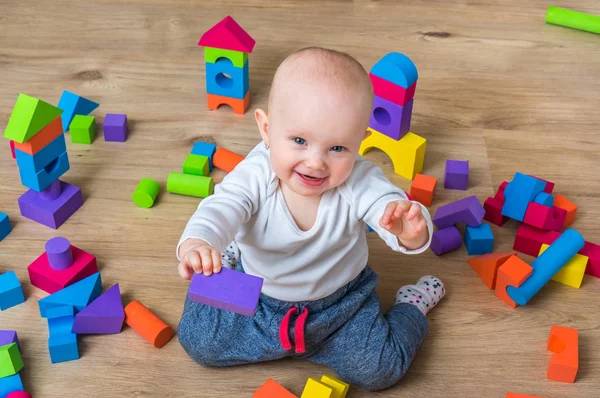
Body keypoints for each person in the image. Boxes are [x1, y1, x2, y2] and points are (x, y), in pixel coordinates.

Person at [176, 46, 445, 391]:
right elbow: (222, 207)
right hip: (257, 294)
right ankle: (227, 257)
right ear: (267, 129)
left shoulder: (358, 180)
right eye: (299, 140)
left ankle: (413, 305)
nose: (316, 162)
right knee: (198, 340)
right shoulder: (258, 172)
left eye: (337, 148)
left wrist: (409, 231)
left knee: (382, 369)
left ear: (360, 143)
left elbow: (389, 205)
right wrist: (199, 242)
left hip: (343, 306)